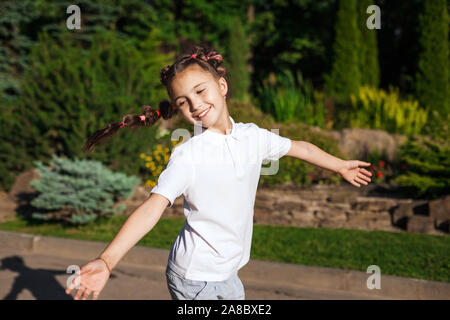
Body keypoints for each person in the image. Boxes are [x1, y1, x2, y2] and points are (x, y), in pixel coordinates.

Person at [66, 46, 373, 300]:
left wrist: (340, 165)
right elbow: (152, 208)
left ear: (222, 86)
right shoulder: (189, 154)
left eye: (200, 91)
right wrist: (107, 260)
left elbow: (300, 148)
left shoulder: (253, 137)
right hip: (194, 277)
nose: (195, 105)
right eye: (183, 102)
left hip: (228, 273)